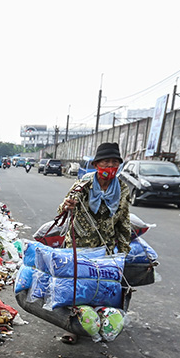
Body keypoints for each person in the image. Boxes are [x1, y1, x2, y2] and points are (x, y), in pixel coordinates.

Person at [56, 142, 131, 344]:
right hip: (78, 245)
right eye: (106, 162)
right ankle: (71, 328)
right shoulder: (84, 184)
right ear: (97, 164)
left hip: (104, 247)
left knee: (97, 288)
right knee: (75, 289)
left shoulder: (123, 189)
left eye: (115, 163)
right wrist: (67, 206)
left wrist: (122, 255)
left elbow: (123, 222)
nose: (110, 167)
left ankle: (97, 321)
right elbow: (62, 208)